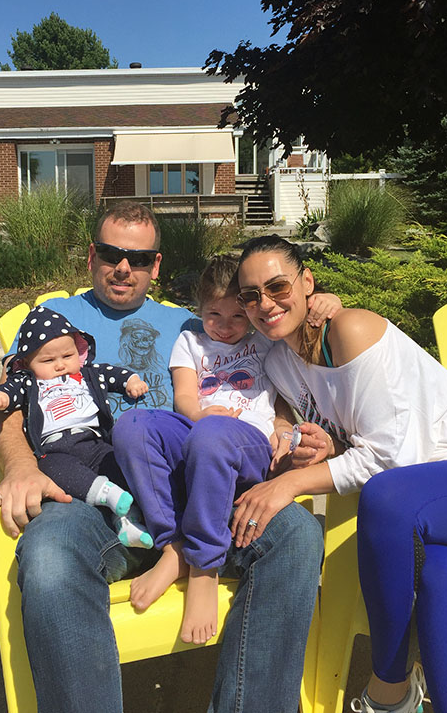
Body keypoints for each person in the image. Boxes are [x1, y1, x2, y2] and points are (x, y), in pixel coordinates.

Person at [0, 202, 324, 713]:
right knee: (50, 555)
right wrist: (19, 465)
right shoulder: (53, 321)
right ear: (91, 256)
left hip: (199, 492)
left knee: (296, 535)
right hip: (94, 493)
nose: (124, 267)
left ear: (157, 265)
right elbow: (6, 404)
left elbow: (264, 353)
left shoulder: (199, 322)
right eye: (111, 254)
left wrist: (320, 311)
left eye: (139, 258)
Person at [231, 235, 447, 713]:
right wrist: (290, 429)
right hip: (435, 532)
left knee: (386, 496)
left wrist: (286, 484)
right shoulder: (278, 363)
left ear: (307, 282)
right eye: (251, 295)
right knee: (440, 585)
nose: (265, 303)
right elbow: (300, 409)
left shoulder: (350, 329)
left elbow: (389, 459)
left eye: (278, 286)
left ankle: (387, 690)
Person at [113, 254, 338, 644]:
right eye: (214, 315)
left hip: (248, 445)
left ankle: (204, 563)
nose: (227, 326)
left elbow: (304, 333)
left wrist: (328, 301)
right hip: (201, 429)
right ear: (198, 310)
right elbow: (184, 396)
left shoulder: (264, 342)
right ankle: (174, 546)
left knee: (214, 434)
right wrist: (198, 416)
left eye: (238, 316)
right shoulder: (190, 341)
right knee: (132, 426)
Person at [0, 306, 152, 547]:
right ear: (28, 363)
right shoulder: (29, 383)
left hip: (94, 441)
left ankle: (128, 523)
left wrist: (131, 381)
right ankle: (106, 492)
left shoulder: (87, 374)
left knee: (117, 465)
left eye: (67, 356)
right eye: (48, 360)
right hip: (55, 448)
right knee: (55, 469)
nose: (60, 365)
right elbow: (8, 391)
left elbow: (113, 374)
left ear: (79, 352)